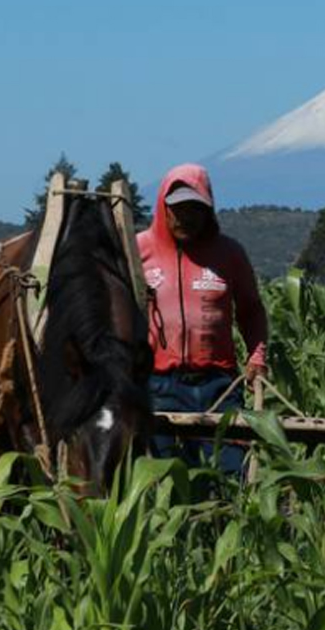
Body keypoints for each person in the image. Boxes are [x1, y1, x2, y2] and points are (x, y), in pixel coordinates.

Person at [137, 163, 268, 474]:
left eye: (195, 208)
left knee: (230, 476)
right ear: (163, 207)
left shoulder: (229, 253)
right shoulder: (138, 250)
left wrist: (257, 356)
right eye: (178, 208)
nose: (186, 217)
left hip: (218, 386)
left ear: (208, 210)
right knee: (163, 483)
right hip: (157, 386)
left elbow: (251, 310)